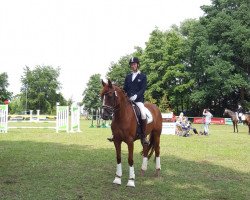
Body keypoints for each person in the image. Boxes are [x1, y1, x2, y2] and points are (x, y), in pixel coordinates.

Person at [107, 57, 149, 145]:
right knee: (116, 111)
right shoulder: (128, 77)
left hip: (138, 101)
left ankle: (144, 136)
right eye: (131, 64)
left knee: (143, 114)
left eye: (134, 64)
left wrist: (136, 96)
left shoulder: (143, 76)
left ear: (137, 64)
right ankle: (114, 133)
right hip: (127, 101)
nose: (133, 66)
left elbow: (143, 89)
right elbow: (125, 89)